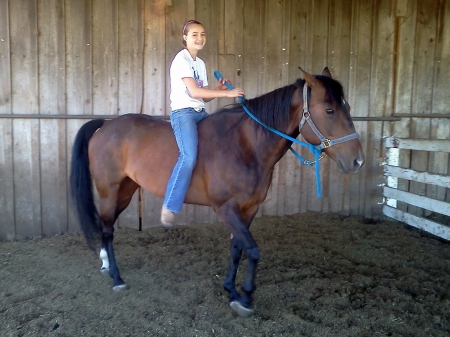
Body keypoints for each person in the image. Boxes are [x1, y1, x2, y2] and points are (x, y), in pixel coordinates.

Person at [161, 19, 245, 227]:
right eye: (195, 34)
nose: (200, 38)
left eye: (203, 34)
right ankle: (170, 204)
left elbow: (204, 98)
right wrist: (228, 95)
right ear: (185, 38)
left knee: (226, 145)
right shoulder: (181, 60)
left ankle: (225, 196)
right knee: (188, 157)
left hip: (200, 111)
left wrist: (219, 89)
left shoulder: (200, 63)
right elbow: (194, 92)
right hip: (184, 114)